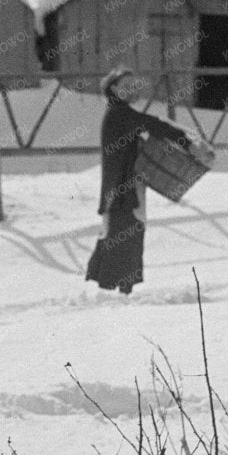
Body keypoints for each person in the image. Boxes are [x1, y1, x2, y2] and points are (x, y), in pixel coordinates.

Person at [85, 68, 191, 295]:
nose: (130, 89)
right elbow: (153, 124)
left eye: (133, 85)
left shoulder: (119, 113)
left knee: (120, 237)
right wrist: (187, 141)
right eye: (125, 85)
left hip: (122, 188)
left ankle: (113, 292)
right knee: (125, 238)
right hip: (122, 189)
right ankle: (116, 293)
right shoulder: (120, 114)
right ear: (112, 87)